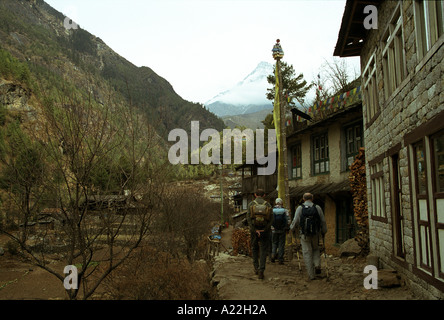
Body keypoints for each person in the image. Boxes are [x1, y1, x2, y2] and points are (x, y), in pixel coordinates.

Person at [290, 193, 327, 280]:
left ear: (303, 199)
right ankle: (317, 264)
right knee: (315, 249)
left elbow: (295, 221)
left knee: (307, 252)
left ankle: (311, 275)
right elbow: (323, 221)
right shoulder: (317, 207)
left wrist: (291, 229)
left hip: (304, 234)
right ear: (312, 198)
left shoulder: (300, 208)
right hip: (315, 233)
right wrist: (324, 231)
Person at [247, 189, 273, 279]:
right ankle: (261, 269)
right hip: (265, 231)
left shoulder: (251, 204)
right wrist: (265, 229)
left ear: (255, 195)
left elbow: (248, 219)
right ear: (264, 195)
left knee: (254, 248)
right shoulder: (267, 204)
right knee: (263, 249)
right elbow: (271, 219)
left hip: (254, 230)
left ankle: (256, 268)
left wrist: (254, 229)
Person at [270, 198, 290, 264]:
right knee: (281, 244)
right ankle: (280, 258)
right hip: (282, 230)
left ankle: (273, 255)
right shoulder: (285, 210)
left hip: (274, 230)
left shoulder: (272, 210)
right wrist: (287, 228)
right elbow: (288, 220)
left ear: (275, 203)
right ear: (282, 203)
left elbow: (270, 220)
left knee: (274, 243)